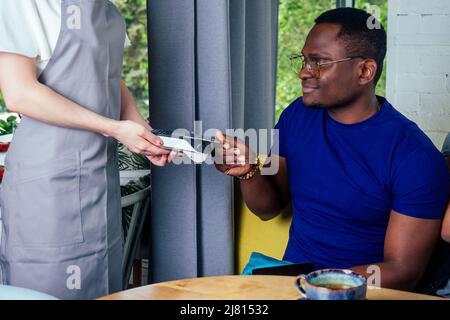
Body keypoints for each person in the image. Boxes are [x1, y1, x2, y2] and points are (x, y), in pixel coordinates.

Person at [215, 8, 450, 291]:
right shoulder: (295, 115)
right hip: (290, 285)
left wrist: (320, 285)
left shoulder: (415, 157)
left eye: (320, 63)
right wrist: (249, 171)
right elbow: (268, 208)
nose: (304, 72)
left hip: (357, 294)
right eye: (304, 60)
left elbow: (403, 270)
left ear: (365, 71)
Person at [0, 0, 175, 299]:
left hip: (100, 178)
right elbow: (20, 94)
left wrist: (146, 135)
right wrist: (115, 128)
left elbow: (108, 78)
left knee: (103, 285)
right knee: (48, 288)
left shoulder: (105, 8)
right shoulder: (21, 3)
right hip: (48, 183)